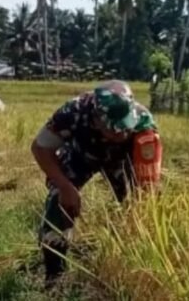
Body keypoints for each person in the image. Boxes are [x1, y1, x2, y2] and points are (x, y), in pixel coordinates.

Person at [30, 80, 163, 284]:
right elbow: (40, 148)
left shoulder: (143, 125)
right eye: (114, 130)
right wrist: (66, 187)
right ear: (97, 119)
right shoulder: (73, 112)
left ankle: (134, 272)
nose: (121, 134)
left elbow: (148, 185)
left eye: (125, 129)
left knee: (144, 209)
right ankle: (54, 277)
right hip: (81, 155)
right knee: (59, 202)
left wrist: (138, 213)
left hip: (122, 160)